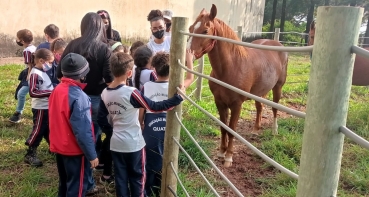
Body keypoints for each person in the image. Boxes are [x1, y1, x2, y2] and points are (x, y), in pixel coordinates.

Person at [97, 52, 184, 197]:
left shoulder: (105, 93)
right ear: (129, 73)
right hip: (134, 144)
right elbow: (154, 107)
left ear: (112, 70)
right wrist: (177, 99)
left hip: (116, 144)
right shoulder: (132, 92)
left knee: (120, 179)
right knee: (138, 178)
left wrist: (112, 131)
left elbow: (100, 119)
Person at [56, 12, 113, 191]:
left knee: (73, 136)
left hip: (71, 96)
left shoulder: (72, 44)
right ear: (100, 27)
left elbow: (59, 74)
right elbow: (110, 80)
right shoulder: (104, 49)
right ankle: (87, 182)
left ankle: (83, 179)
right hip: (95, 100)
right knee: (90, 138)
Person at [141, 50, 194, 196]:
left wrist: (141, 123)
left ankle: (148, 190)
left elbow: (141, 108)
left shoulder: (146, 86)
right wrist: (189, 59)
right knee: (168, 156)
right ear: (173, 69)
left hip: (150, 126)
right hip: (169, 125)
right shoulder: (177, 87)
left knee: (151, 159)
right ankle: (163, 186)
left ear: (154, 69)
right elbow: (190, 77)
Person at [49, 53, 99, 197]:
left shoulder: (56, 90)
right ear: (83, 74)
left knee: (64, 183)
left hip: (59, 147)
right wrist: (92, 155)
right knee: (77, 187)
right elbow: (83, 131)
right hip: (75, 151)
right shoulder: (80, 97)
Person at [24, 48, 54, 167]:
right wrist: (50, 93)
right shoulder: (35, 74)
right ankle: (30, 153)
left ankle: (53, 147)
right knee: (39, 129)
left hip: (47, 106)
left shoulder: (43, 72)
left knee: (48, 128)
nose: (51, 65)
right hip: (40, 108)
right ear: (41, 61)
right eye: (50, 62)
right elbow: (33, 92)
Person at [9, 29, 37, 123]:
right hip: (33, 72)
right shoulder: (33, 47)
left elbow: (30, 65)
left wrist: (29, 76)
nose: (17, 40)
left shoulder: (27, 51)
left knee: (21, 93)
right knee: (20, 92)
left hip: (31, 73)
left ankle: (18, 113)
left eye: (18, 38)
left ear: (22, 41)